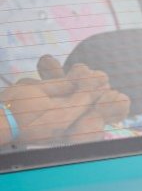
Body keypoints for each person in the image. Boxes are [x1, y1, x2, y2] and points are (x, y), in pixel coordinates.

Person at [0, 55, 130, 148]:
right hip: (17, 111)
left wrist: (83, 90)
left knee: (59, 115)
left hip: (19, 108)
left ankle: (70, 86)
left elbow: (78, 140)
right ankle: (71, 86)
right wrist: (85, 92)